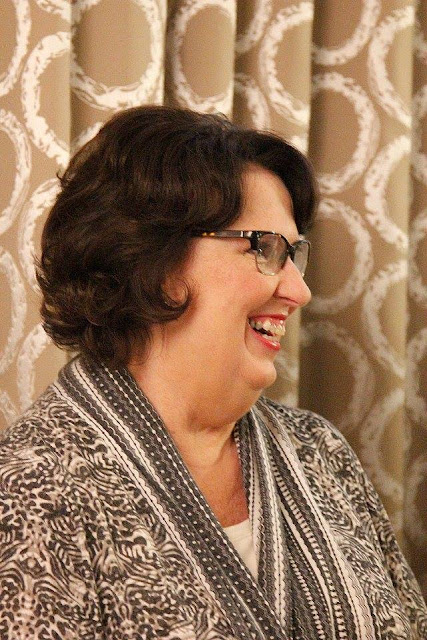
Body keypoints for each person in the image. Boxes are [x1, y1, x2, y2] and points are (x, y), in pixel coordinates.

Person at [0, 106, 425, 640]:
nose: (299, 291)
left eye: (293, 254)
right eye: (264, 248)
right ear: (153, 261)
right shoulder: (32, 488)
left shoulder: (318, 451)